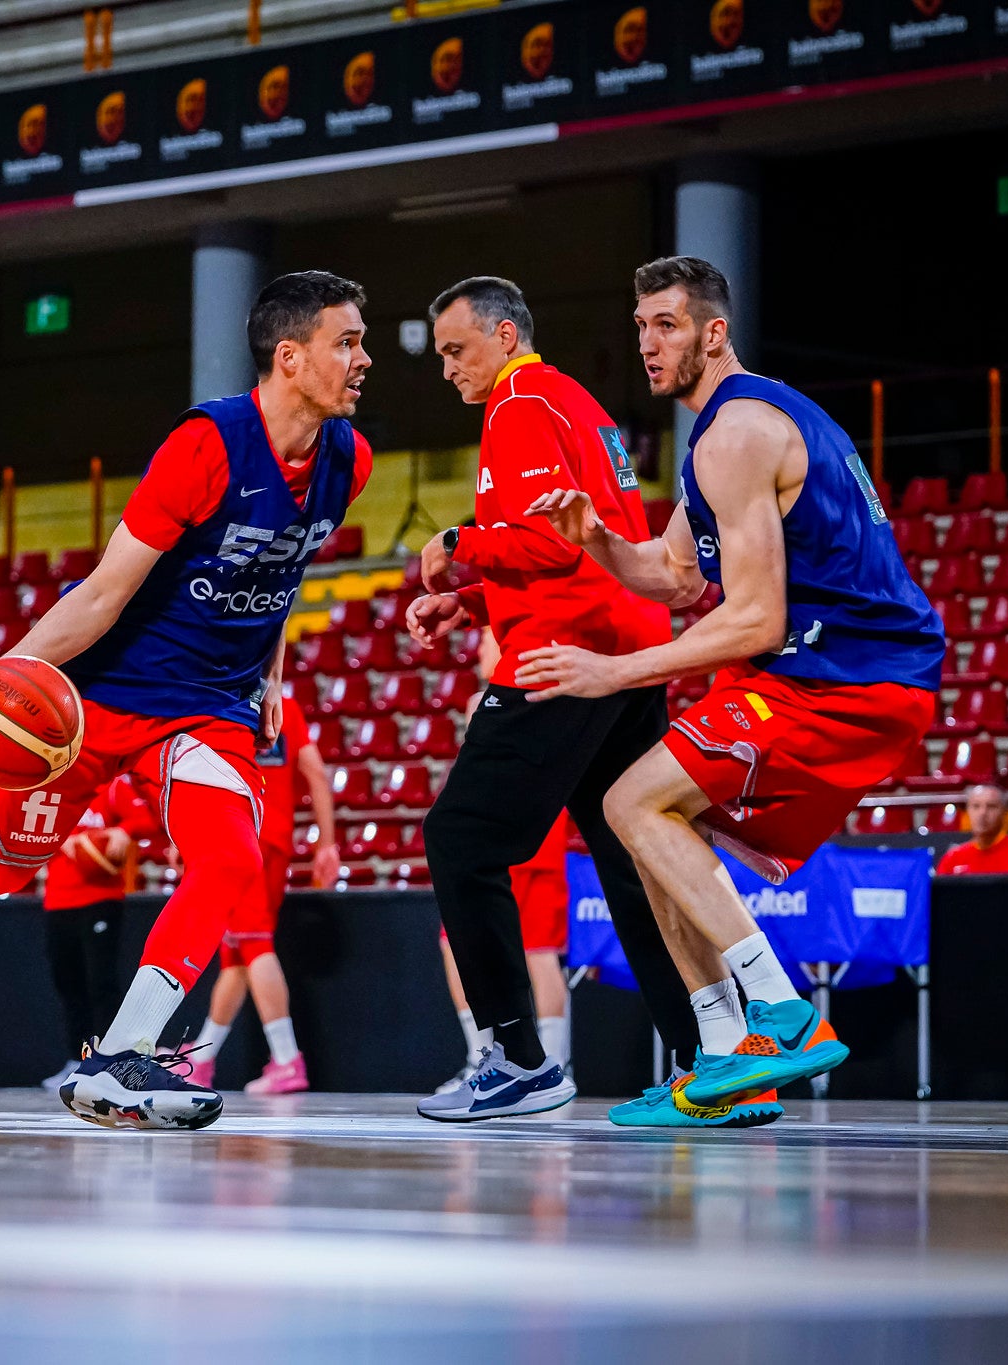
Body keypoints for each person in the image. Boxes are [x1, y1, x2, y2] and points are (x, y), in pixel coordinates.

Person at [0, 271, 376, 1130]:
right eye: (347, 342)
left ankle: (120, 1056)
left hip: (209, 707)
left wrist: (269, 672)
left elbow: (282, 569)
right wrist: (0, 675)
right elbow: (100, 594)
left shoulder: (351, 457)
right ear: (289, 355)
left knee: (230, 858)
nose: (365, 358)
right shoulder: (205, 447)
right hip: (100, 697)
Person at [521, 254, 944, 1128]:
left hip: (847, 676)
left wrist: (610, 672)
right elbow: (674, 577)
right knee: (646, 828)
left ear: (714, 331)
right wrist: (597, 537)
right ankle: (724, 1062)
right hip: (826, 670)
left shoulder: (737, 435)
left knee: (631, 800)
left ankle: (781, 1012)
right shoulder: (718, 432)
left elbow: (751, 620)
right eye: (639, 325)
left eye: (665, 324)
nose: (646, 342)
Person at [404, 276, 695, 1123]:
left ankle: (519, 1058)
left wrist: (456, 547)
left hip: (568, 656)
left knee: (459, 838)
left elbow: (548, 543)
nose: (449, 368)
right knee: (629, 861)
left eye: (457, 350)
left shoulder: (519, 401)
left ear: (502, 335)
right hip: (629, 649)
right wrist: (476, 598)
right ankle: (704, 1056)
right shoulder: (577, 400)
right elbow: (578, 536)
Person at [433, 636, 573, 1095]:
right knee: (540, 950)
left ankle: (483, 1055)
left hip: (499, 827)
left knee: (462, 939)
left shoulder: (493, 696)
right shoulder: (564, 686)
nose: (477, 655)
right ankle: (554, 1061)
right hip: (546, 830)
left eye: (487, 643)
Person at [186, 691, 339, 1095]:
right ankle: (202, 1059)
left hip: (239, 834)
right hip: (274, 842)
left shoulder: (222, 704)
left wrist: (187, 834)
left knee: (253, 943)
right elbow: (316, 773)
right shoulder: (286, 706)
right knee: (237, 953)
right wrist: (326, 841)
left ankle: (287, 1059)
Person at [38, 772, 162, 1090]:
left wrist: (123, 830)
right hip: (58, 900)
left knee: (101, 982)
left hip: (100, 899)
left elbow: (148, 819)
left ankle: (108, 1061)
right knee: (68, 983)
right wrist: (61, 841)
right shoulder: (53, 789)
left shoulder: (114, 785)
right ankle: (75, 1059)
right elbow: (29, 829)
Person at [937, 784, 1008, 874]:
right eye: (976, 806)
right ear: (967, 812)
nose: (983, 813)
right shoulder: (952, 859)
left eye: (991, 806)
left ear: (1005, 813)